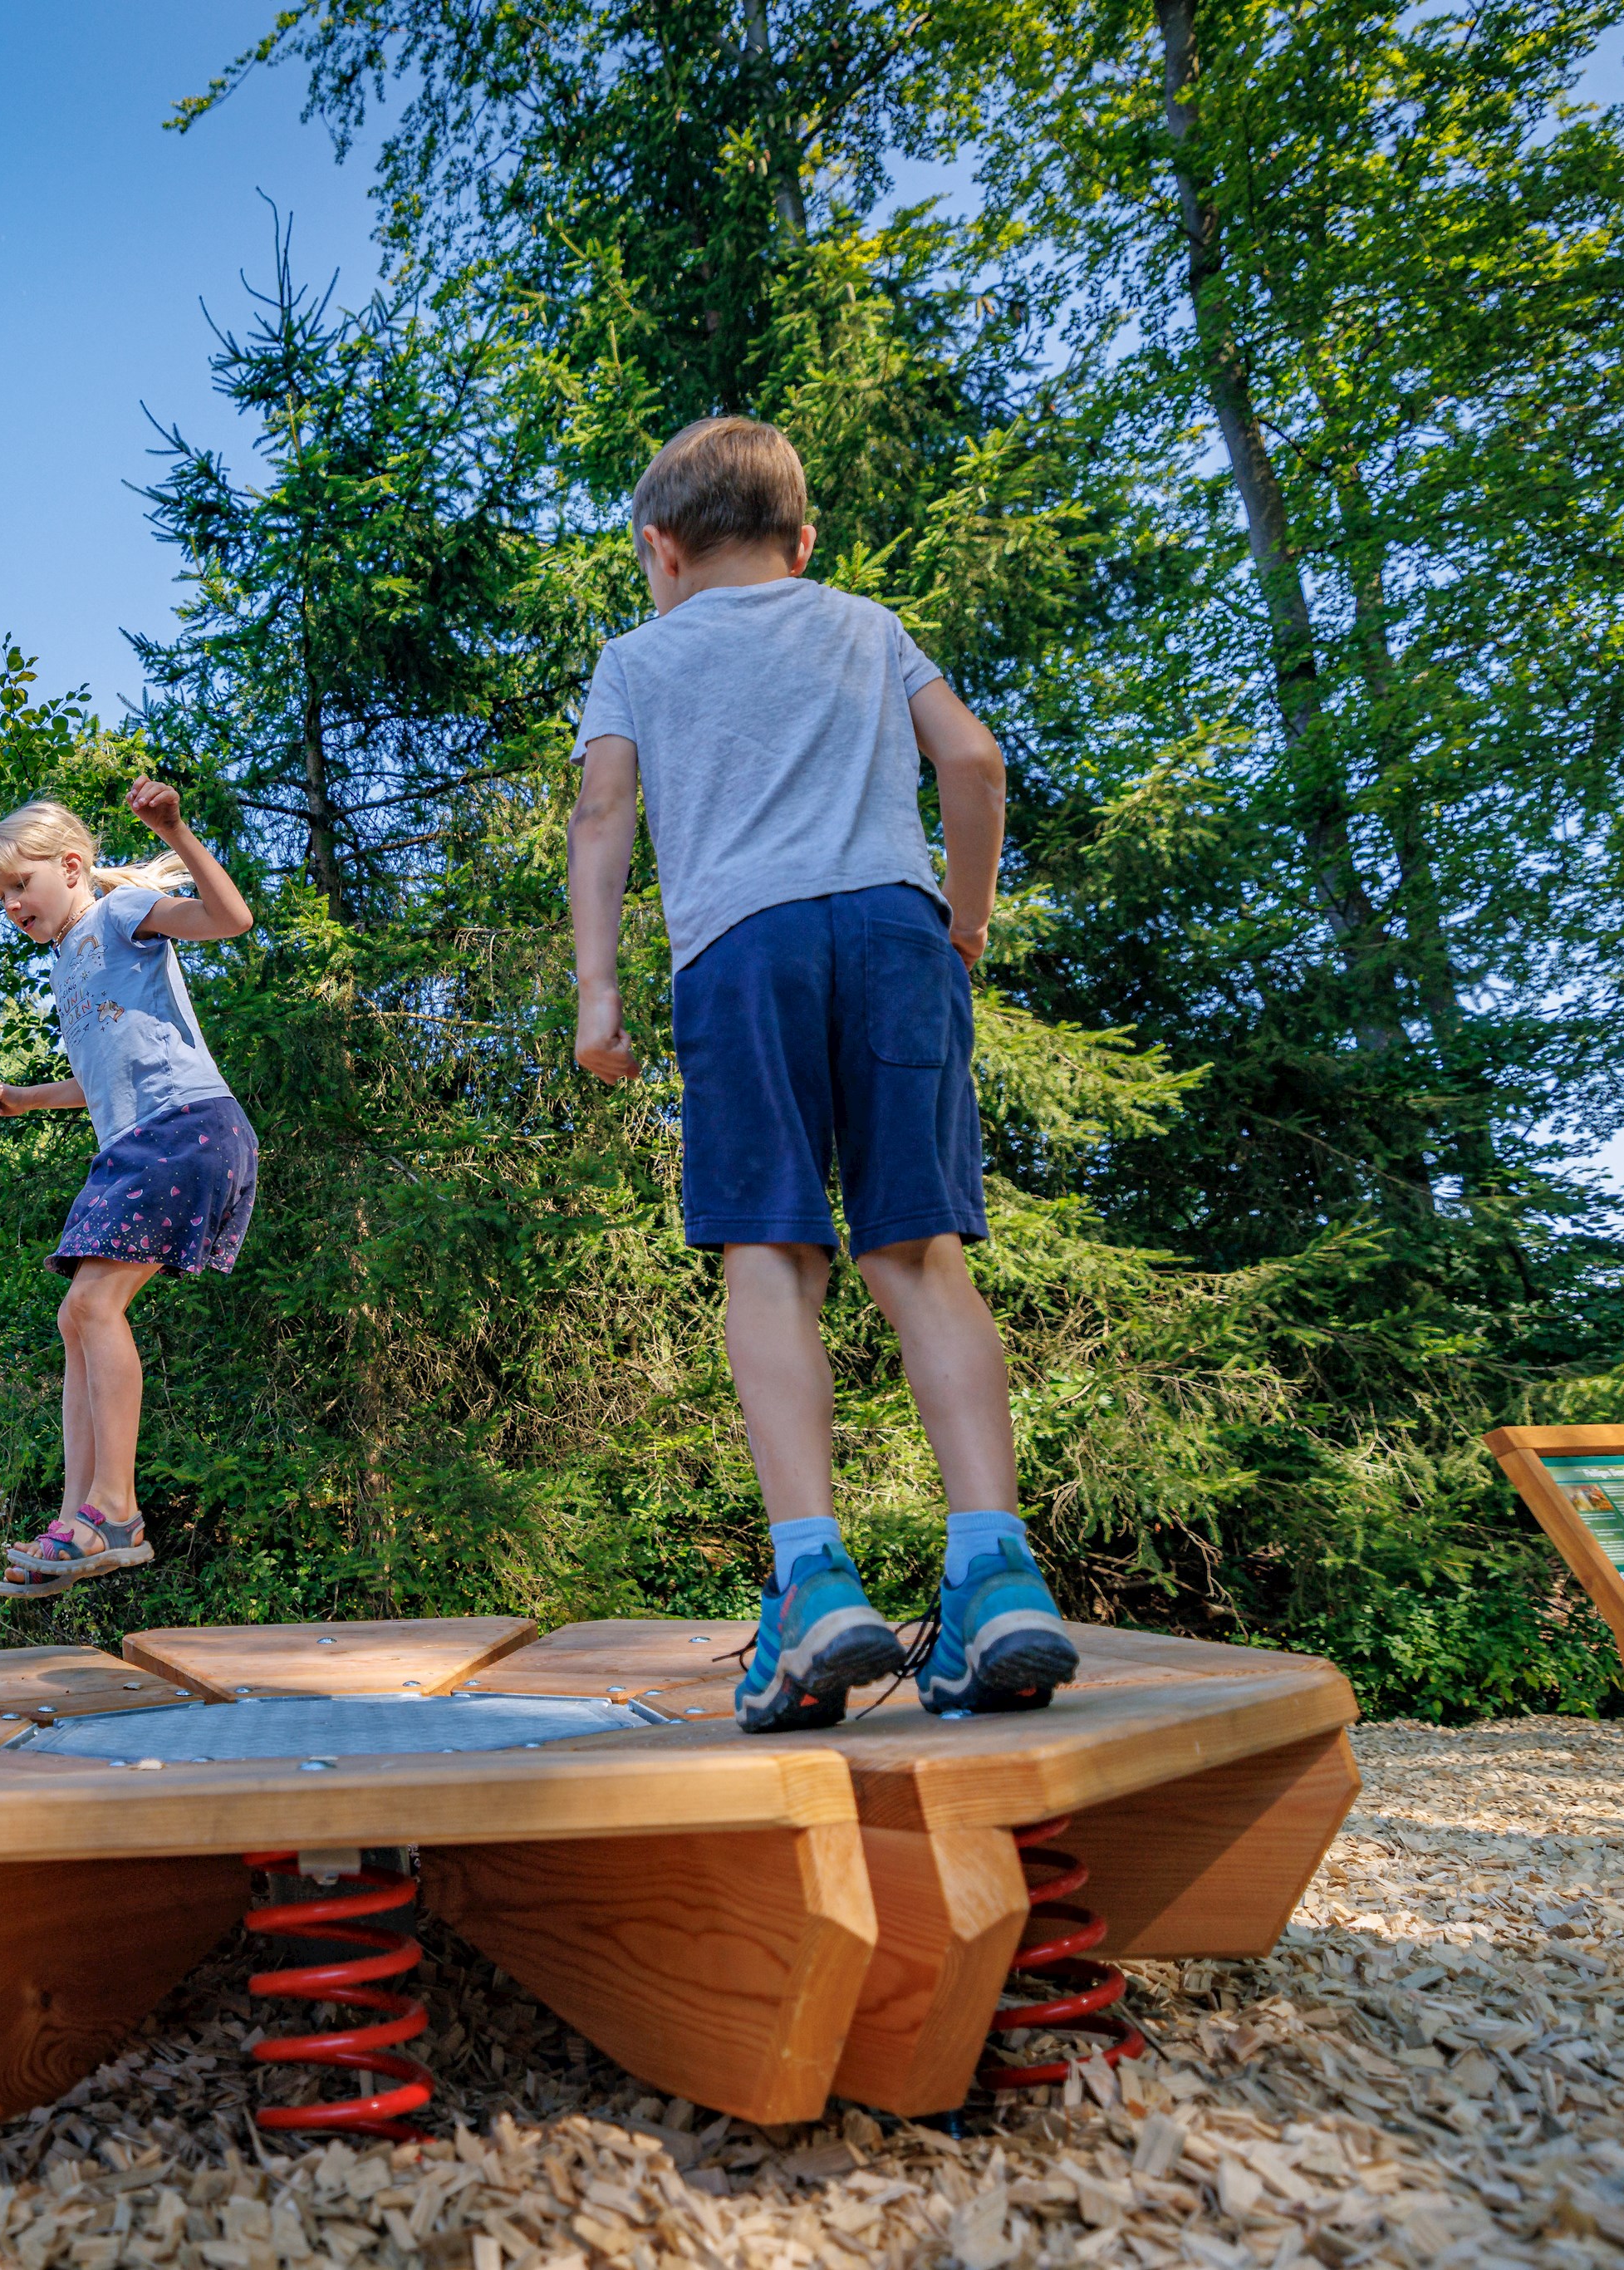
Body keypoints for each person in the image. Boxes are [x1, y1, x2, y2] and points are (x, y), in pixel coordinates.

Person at [565, 415, 1077, 1732]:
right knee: (920, 1253)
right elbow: (972, 761)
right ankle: (996, 1569)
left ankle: (811, 1581)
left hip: (744, 950)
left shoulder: (637, 655)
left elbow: (605, 815)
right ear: (803, 541)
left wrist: (600, 996)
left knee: (770, 1253)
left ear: (658, 549)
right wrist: (963, 923)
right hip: (899, 932)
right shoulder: (864, 622)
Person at [0, 781, 258, 1596]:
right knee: (78, 1313)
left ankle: (115, 1512)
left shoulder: (119, 918)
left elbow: (229, 917)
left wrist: (173, 829)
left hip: (187, 1126)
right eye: (0, 898)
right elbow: (103, 1074)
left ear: (70, 865)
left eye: (18, 886)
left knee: (94, 1307)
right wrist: (26, 1097)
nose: (11, 906)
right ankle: (76, 1519)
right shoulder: (68, 963)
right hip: (137, 1139)